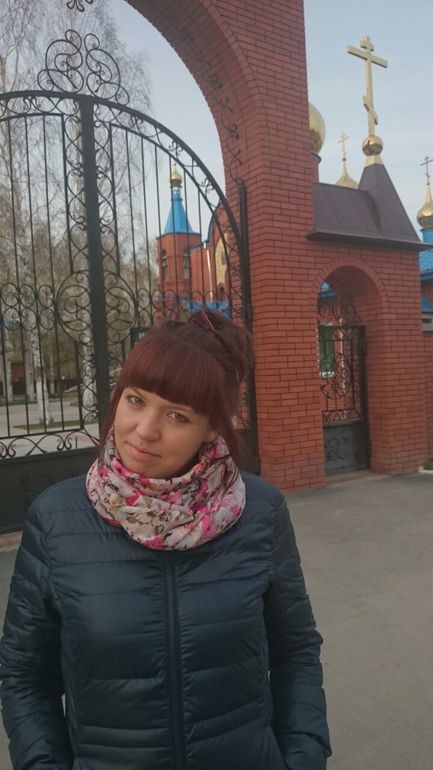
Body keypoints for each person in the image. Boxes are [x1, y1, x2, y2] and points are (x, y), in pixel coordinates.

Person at [0, 309, 331, 770]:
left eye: (177, 415)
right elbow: (25, 673)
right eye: (136, 400)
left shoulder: (258, 511)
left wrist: (304, 755)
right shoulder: (56, 519)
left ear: (211, 427)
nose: (145, 430)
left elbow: (296, 652)